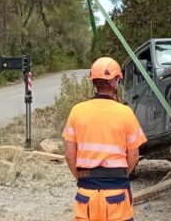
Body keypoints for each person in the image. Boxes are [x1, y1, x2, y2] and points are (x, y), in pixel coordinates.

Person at [62, 57, 147, 221]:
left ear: (94, 82)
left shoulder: (77, 111)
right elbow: (134, 156)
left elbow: (69, 155)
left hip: (86, 194)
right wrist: (120, 175)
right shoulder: (126, 113)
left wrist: (82, 177)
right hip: (116, 195)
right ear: (115, 83)